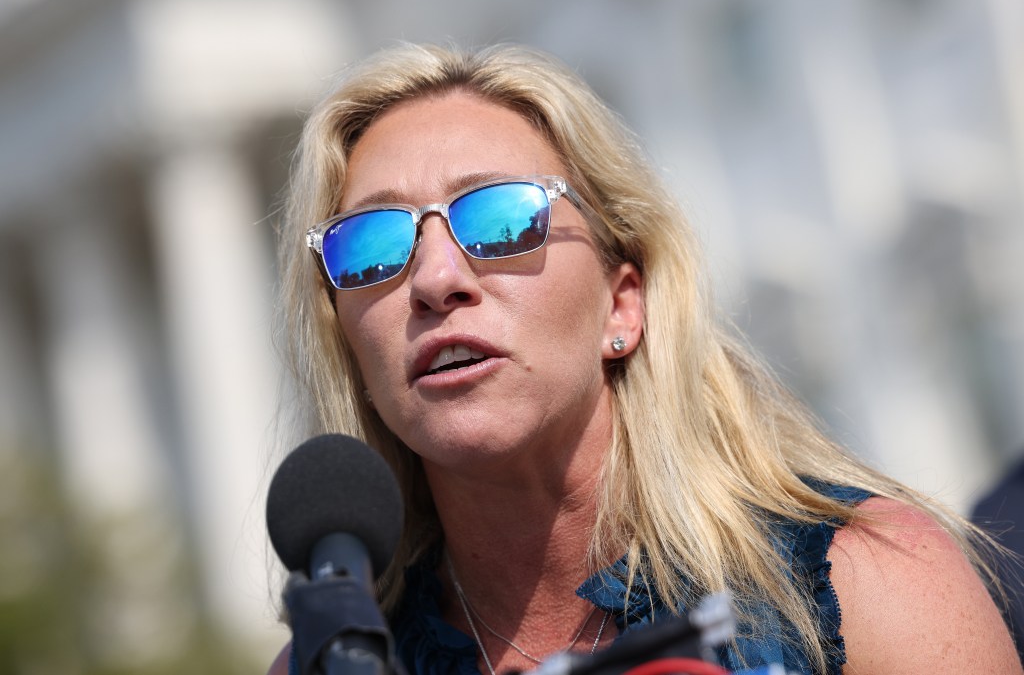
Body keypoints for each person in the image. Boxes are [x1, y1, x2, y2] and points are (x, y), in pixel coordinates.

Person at [267, 42, 1020, 675]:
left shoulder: (872, 583)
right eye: (369, 247)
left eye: (500, 218)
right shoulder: (329, 661)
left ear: (623, 303)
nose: (435, 279)